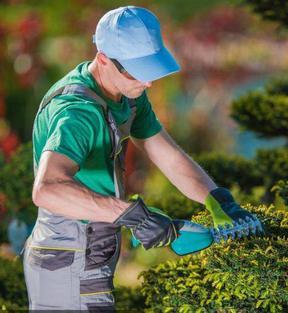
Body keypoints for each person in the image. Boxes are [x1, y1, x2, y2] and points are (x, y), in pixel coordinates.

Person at [23, 6, 262, 311]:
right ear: (104, 59)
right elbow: (48, 189)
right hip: (66, 256)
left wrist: (216, 198)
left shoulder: (126, 93)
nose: (148, 82)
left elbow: (167, 154)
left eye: (150, 70)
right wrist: (135, 216)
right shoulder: (77, 114)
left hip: (93, 248)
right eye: (138, 72)